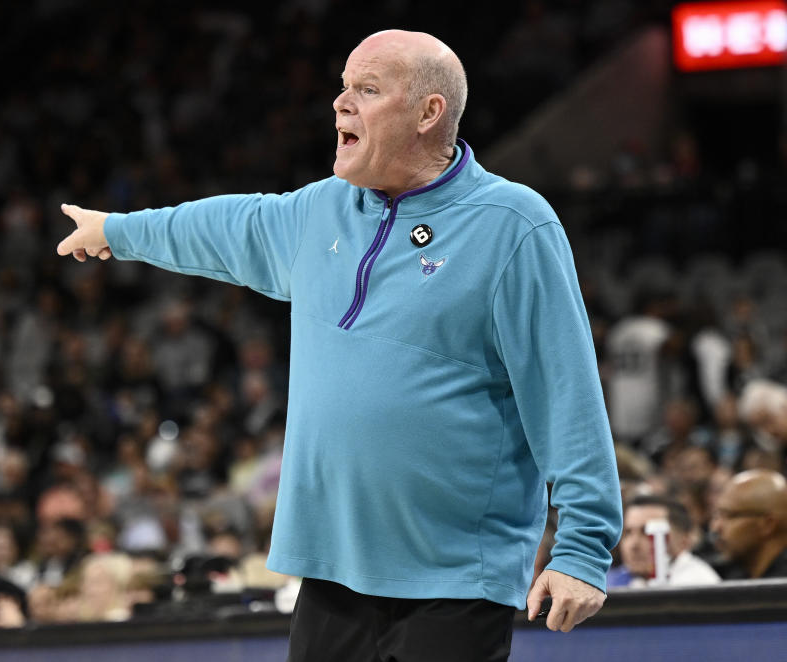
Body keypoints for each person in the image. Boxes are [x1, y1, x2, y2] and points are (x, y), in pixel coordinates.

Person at [57, 29, 622, 661]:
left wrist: (581, 548)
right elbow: (220, 227)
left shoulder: (513, 225)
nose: (340, 104)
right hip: (331, 575)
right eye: (343, 87)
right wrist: (117, 230)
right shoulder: (322, 211)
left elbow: (566, 393)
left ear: (428, 113)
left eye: (368, 90)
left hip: (454, 579)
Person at [610, 495, 720, 587]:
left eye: (647, 532)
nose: (633, 544)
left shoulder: (696, 585)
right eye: (627, 533)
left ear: (684, 541)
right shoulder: (627, 580)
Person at [709, 469, 787, 579]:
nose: (716, 527)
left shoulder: (781, 588)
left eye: (729, 516)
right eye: (717, 516)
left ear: (767, 524)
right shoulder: (733, 575)